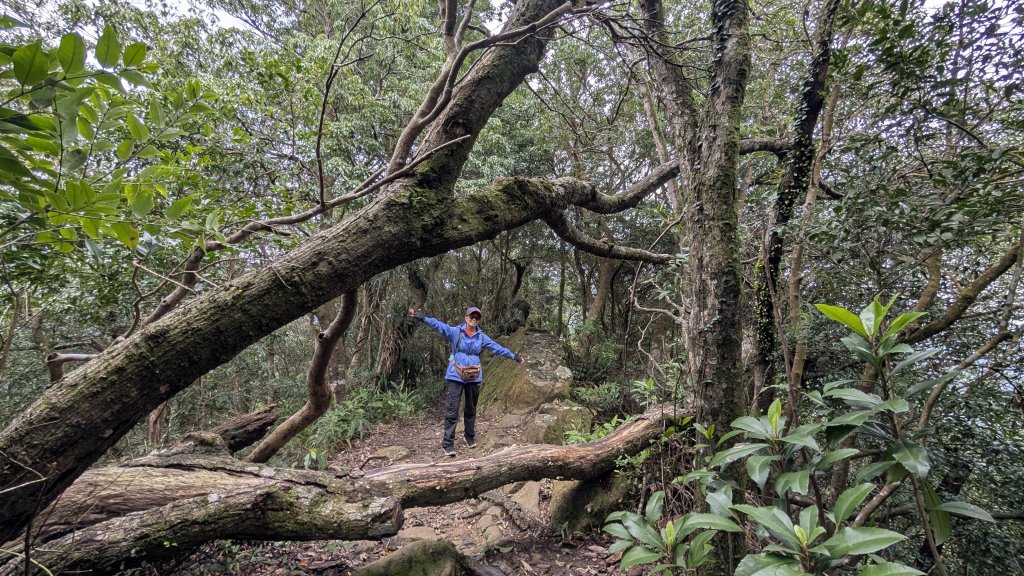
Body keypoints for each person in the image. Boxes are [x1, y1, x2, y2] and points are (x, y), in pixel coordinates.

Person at [410, 306, 524, 457]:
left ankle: (469, 437)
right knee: (452, 408)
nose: (474, 320)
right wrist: (422, 318)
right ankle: (448, 444)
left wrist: (514, 356)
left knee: (471, 408)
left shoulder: (481, 337)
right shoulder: (455, 332)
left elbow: (497, 348)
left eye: (477, 318)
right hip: (455, 375)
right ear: (466, 318)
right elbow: (438, 325)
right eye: (471, 317)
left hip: (473, 376)